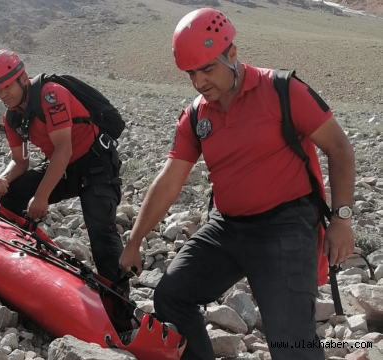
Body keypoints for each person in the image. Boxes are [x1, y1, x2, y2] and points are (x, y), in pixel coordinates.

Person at [119, 8, 355, 360]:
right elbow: (169, 180)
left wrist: (342, 218)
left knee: (291, 342)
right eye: (191, 73)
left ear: (231, 53)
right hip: (227, 228)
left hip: (286, 227)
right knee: (171, 295)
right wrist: (134, 241)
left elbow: (340, 148)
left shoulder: (283, 91)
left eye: (207, 69)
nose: (199, 82)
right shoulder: (197, 114)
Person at [0, 50, 129, 307]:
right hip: (65, 168)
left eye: (7, 86)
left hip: (97, 164)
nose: (4, 94)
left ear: (23, 78)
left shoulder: (51, 94)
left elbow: (64, 148)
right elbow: (20, 161)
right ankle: (18, 258)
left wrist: (41, 197)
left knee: (101, 233)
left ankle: (120, 309)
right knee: (12, 194)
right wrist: (3, 179)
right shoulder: (12, 116)